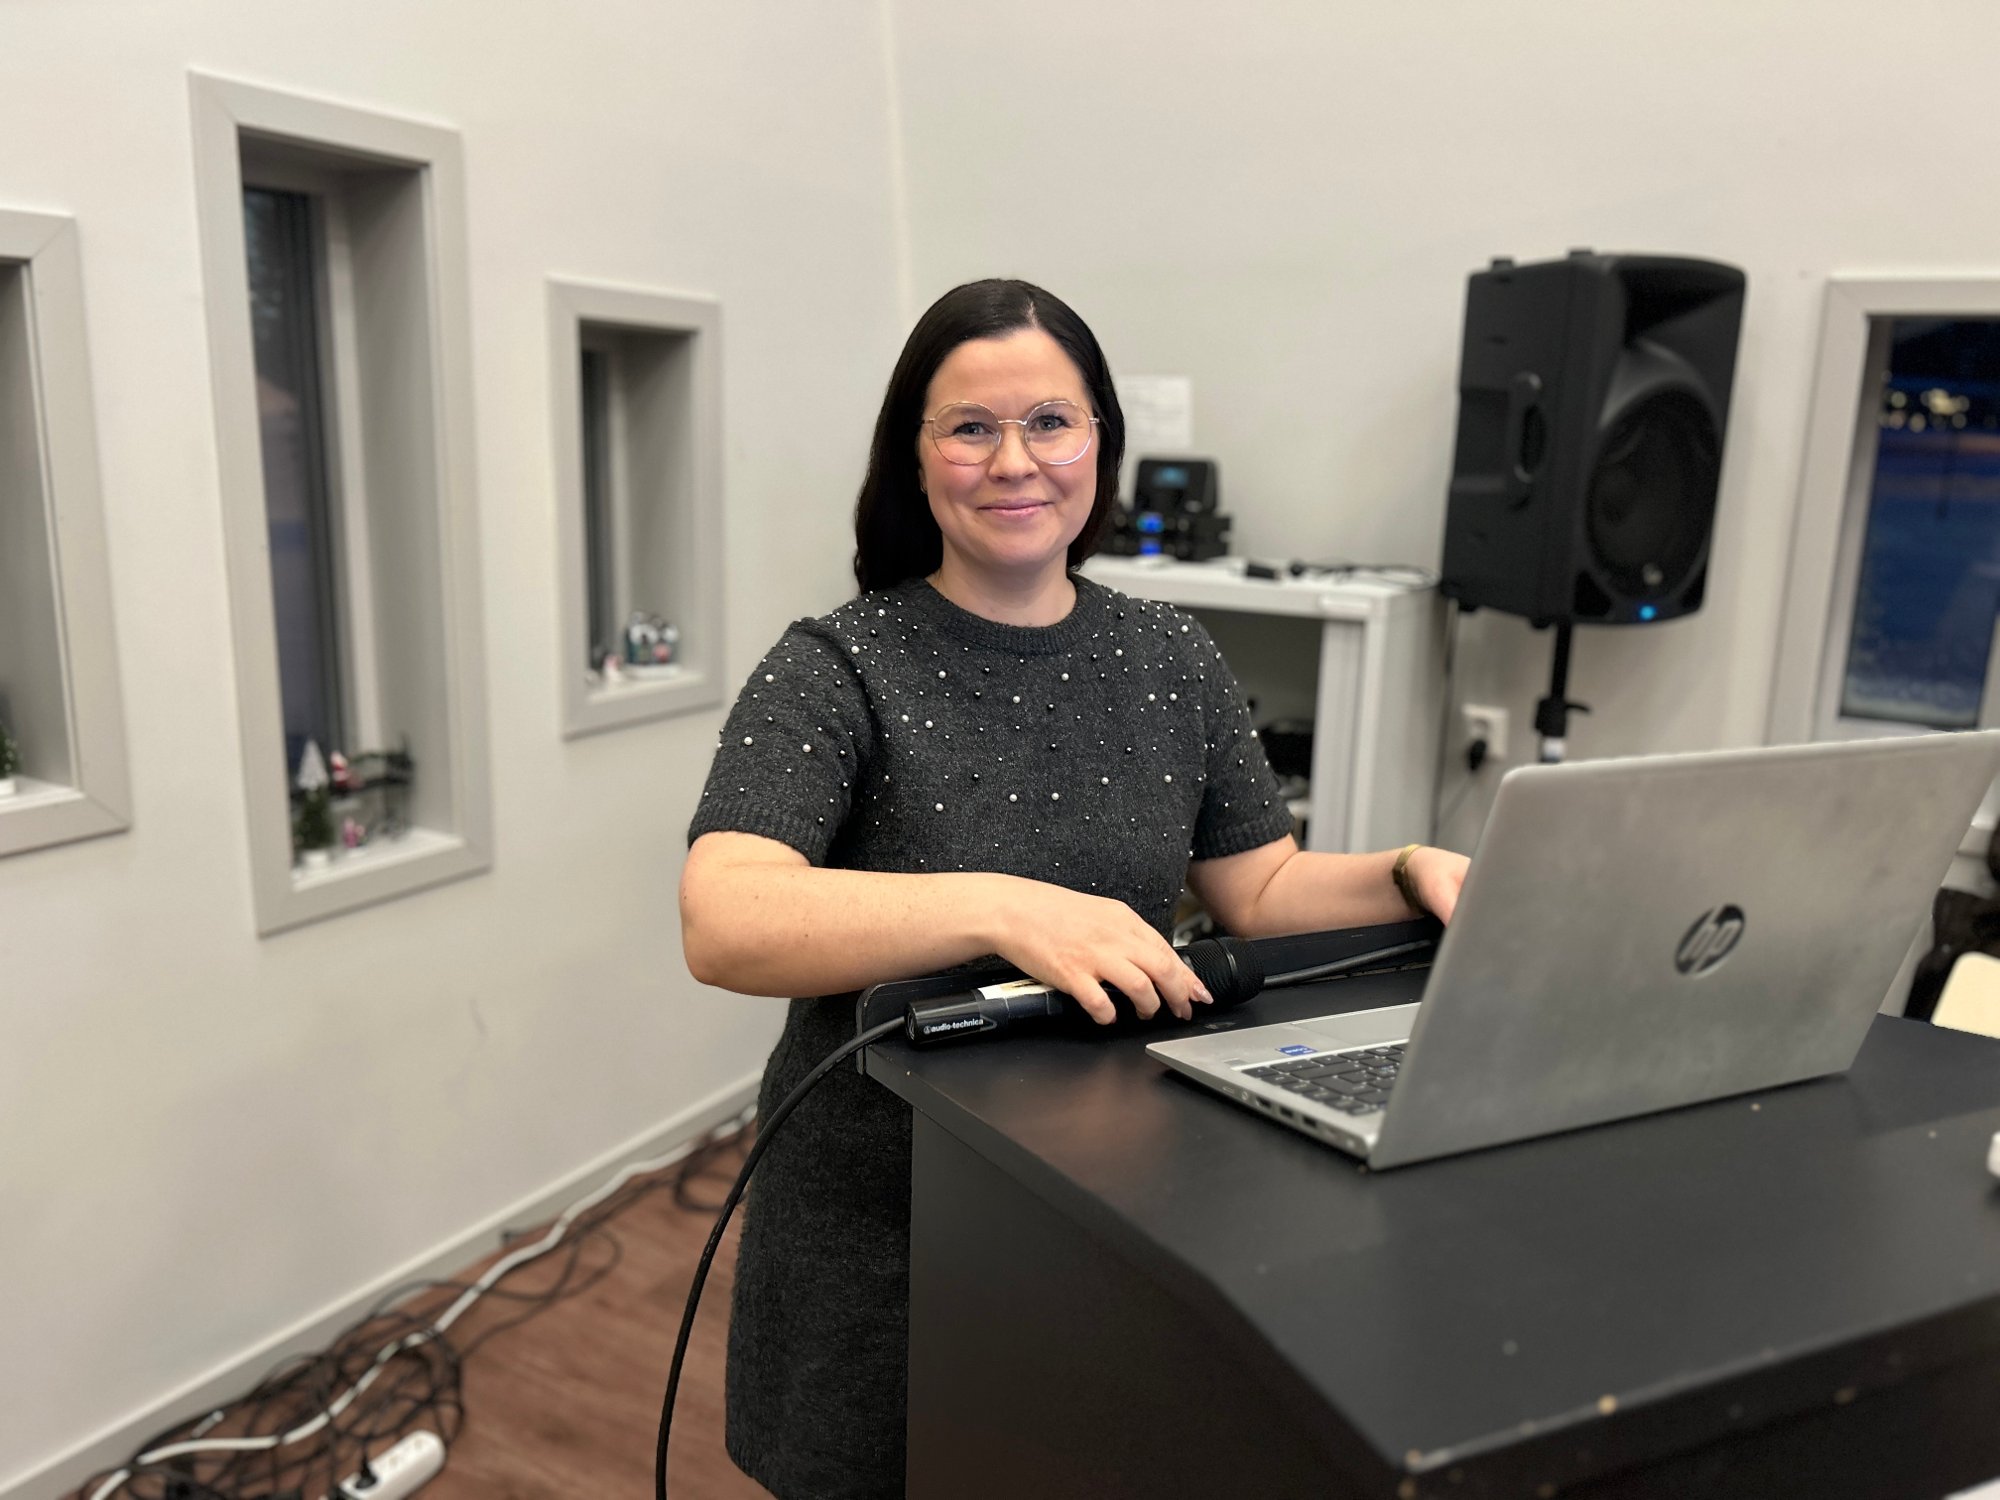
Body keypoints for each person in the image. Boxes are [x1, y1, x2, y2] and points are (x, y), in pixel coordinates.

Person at [679, 278, 1469, 1498]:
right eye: (969, 427)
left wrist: (1410, 870)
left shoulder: (1170, 656)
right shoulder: (835, 662)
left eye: (1049, 421)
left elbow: (1261, 887)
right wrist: (1003, 906)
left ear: (1099, 443)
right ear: (914, 455)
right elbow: (725, 916)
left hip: (1107, 1196)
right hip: (883, 1220)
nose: (1014, 461)